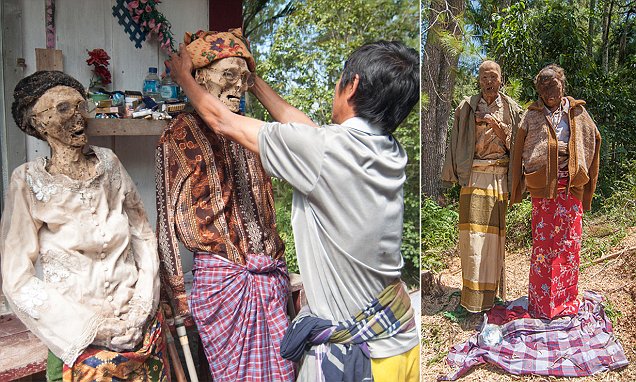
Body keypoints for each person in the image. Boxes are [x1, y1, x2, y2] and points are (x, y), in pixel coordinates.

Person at [168, 39, 420, 382]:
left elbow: (222, 121)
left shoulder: (326, 152)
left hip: (363, 360)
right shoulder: (385, 150)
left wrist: (184, 78)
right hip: (401, 340)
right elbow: (302, 129)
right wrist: (253, 82)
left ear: (353, 84)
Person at [1, 71, 166, 381]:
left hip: (140, 327)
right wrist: (92, 327)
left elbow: (142, 234)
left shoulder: (110, 163)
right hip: (78, 340)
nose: (79, 117)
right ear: (38, 123)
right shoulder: (27, 181)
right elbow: (16, 278)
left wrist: (143, 304)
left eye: (81, 106)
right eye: (64, 109)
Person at [156, 29, 294, 381]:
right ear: (201, 77)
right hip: (223, 283)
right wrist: (177, 294)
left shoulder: (252, 131)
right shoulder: (180, 133)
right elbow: (166, 219)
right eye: (228, 75)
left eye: (245, 78)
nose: (238, 86)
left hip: (270, 279)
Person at [510, 64, 601, 319]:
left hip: (571, 188)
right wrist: (516, 189)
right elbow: (518, 152)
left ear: (563, 85)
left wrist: (587, 184)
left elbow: (594, 141)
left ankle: (566, 302)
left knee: (569, 246)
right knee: (543, 247)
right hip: (543, 190)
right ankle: (541, 304)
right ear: (538, 89)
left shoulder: (578, 112)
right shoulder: (531, 115)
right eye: (544, 87)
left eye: (554, 86)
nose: (549, 92)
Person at [441, 60, 523, 313]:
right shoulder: (467, 107)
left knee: (494, 242)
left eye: (493, 77)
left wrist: (500, 129)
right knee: (471, 241)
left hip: (499, 179)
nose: (489, 81)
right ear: (479, 80)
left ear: (501, 79)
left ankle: (494, 296)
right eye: (484, 77)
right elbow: (454, 142)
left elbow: (519, 147)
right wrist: (449, 179)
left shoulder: (511, 109)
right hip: (473, 178)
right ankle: (472, 300)